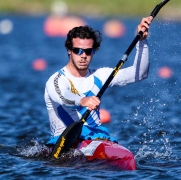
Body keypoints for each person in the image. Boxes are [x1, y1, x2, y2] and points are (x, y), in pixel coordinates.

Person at [44, 17, 151, 146]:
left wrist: (142, 42)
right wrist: (83, 101)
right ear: (69, 50)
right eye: (78, 51)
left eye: (88, 51)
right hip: (64, 141)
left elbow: (140, 74)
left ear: (94, 51)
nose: (83, 55)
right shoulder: (57, 80)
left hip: (96, 138)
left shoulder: (101, 75)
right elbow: (64, 98)